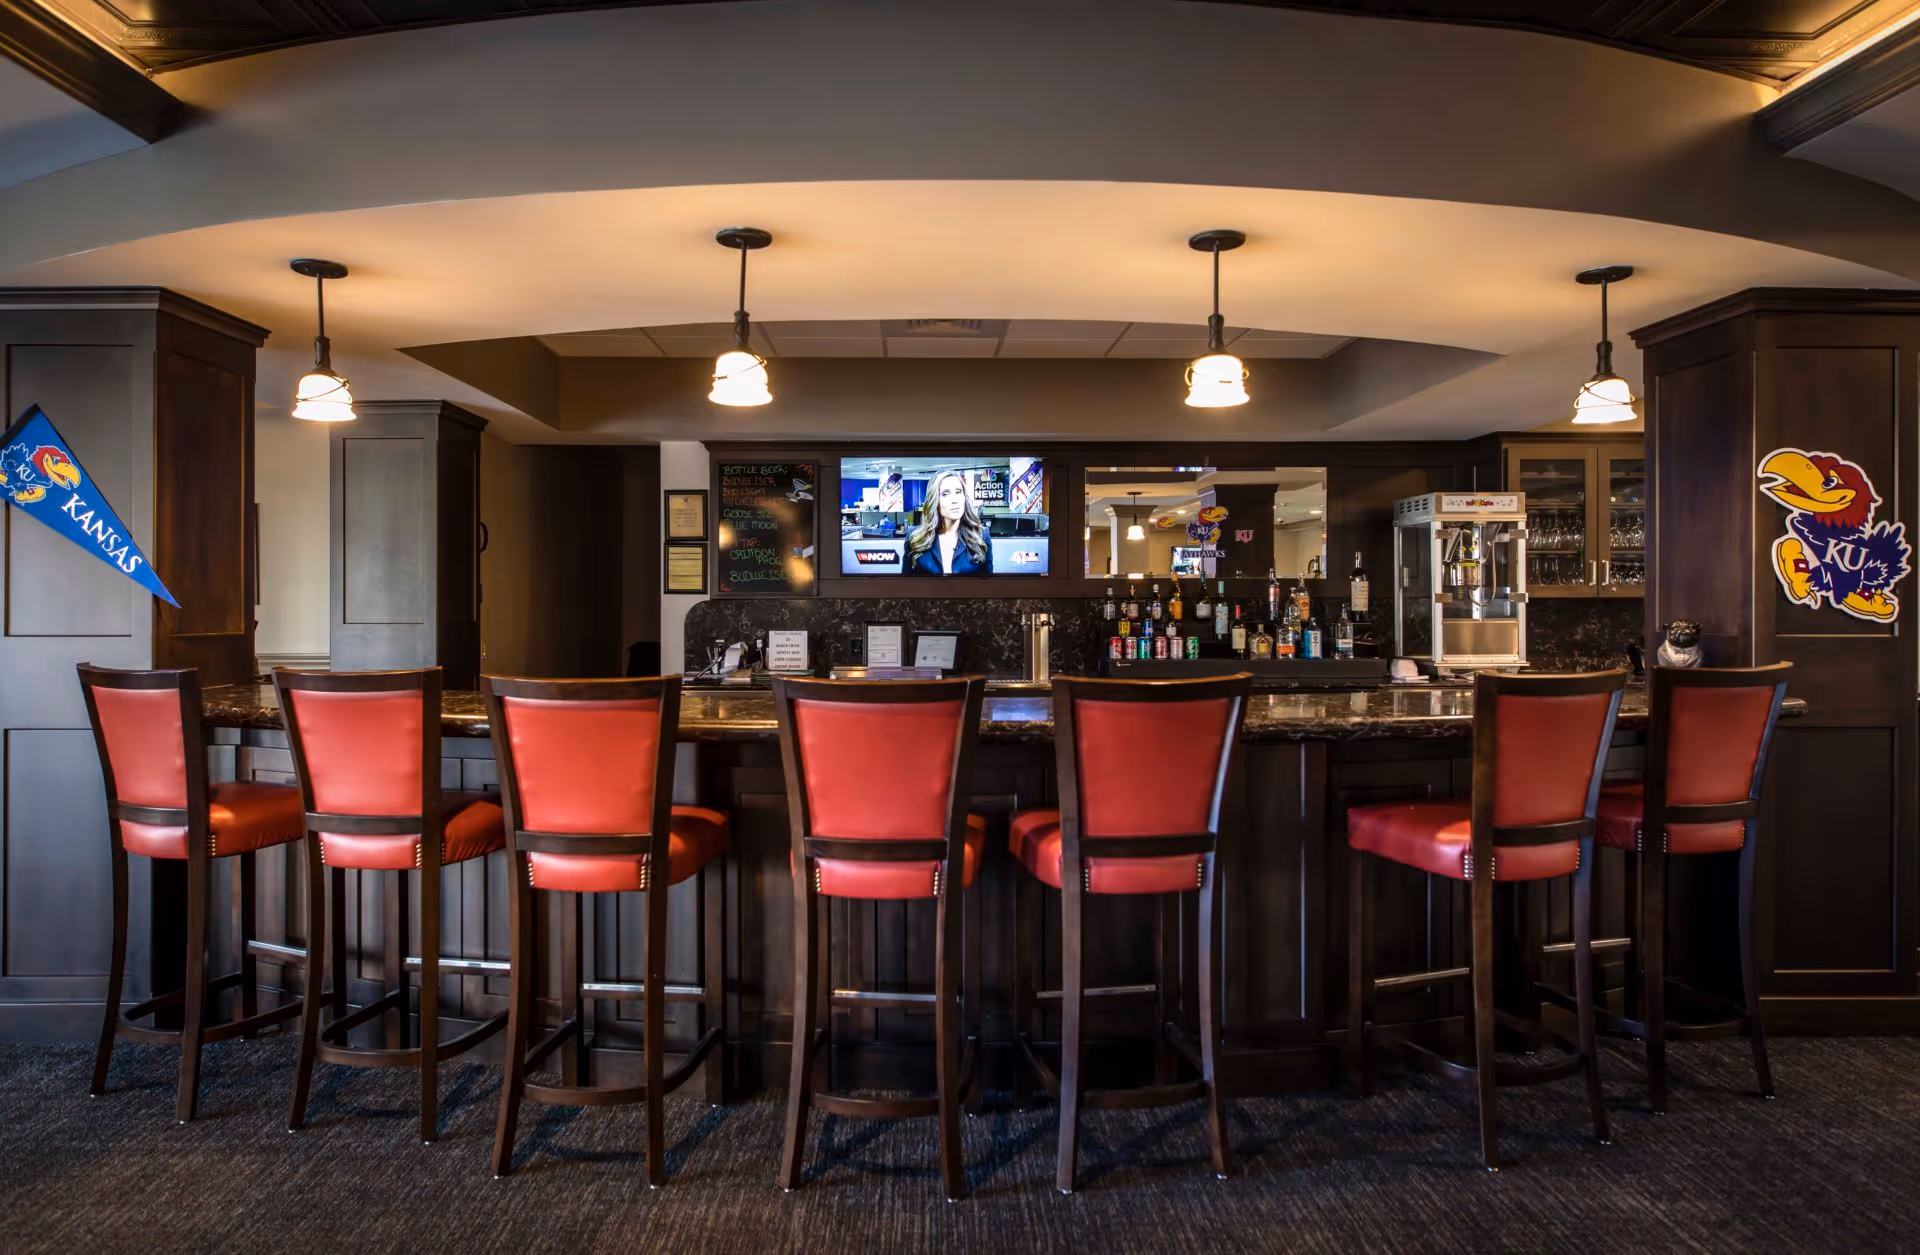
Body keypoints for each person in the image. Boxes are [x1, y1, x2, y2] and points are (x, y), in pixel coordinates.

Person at [904, 468, 991, 575]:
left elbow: (988, 586)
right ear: (934, 500)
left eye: (958, 492)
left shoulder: (981, 535)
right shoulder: (915, 537)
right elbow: (906, 585)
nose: (955, 500)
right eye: (945, 494)